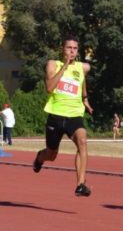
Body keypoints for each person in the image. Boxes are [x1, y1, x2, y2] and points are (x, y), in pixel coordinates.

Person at [32, 36, 94, 197]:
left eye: (75, 48)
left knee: (82, 141)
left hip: (74, 114)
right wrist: (65, 67)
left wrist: (85, 99)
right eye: (68, 48)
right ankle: (40, 158)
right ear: (62, 49)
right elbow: (49, 88)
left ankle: (80, 184)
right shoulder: (53, 64)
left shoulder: (81, 67)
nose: (72, 51)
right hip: (56, 115)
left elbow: (82, 82)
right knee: (51, 155)